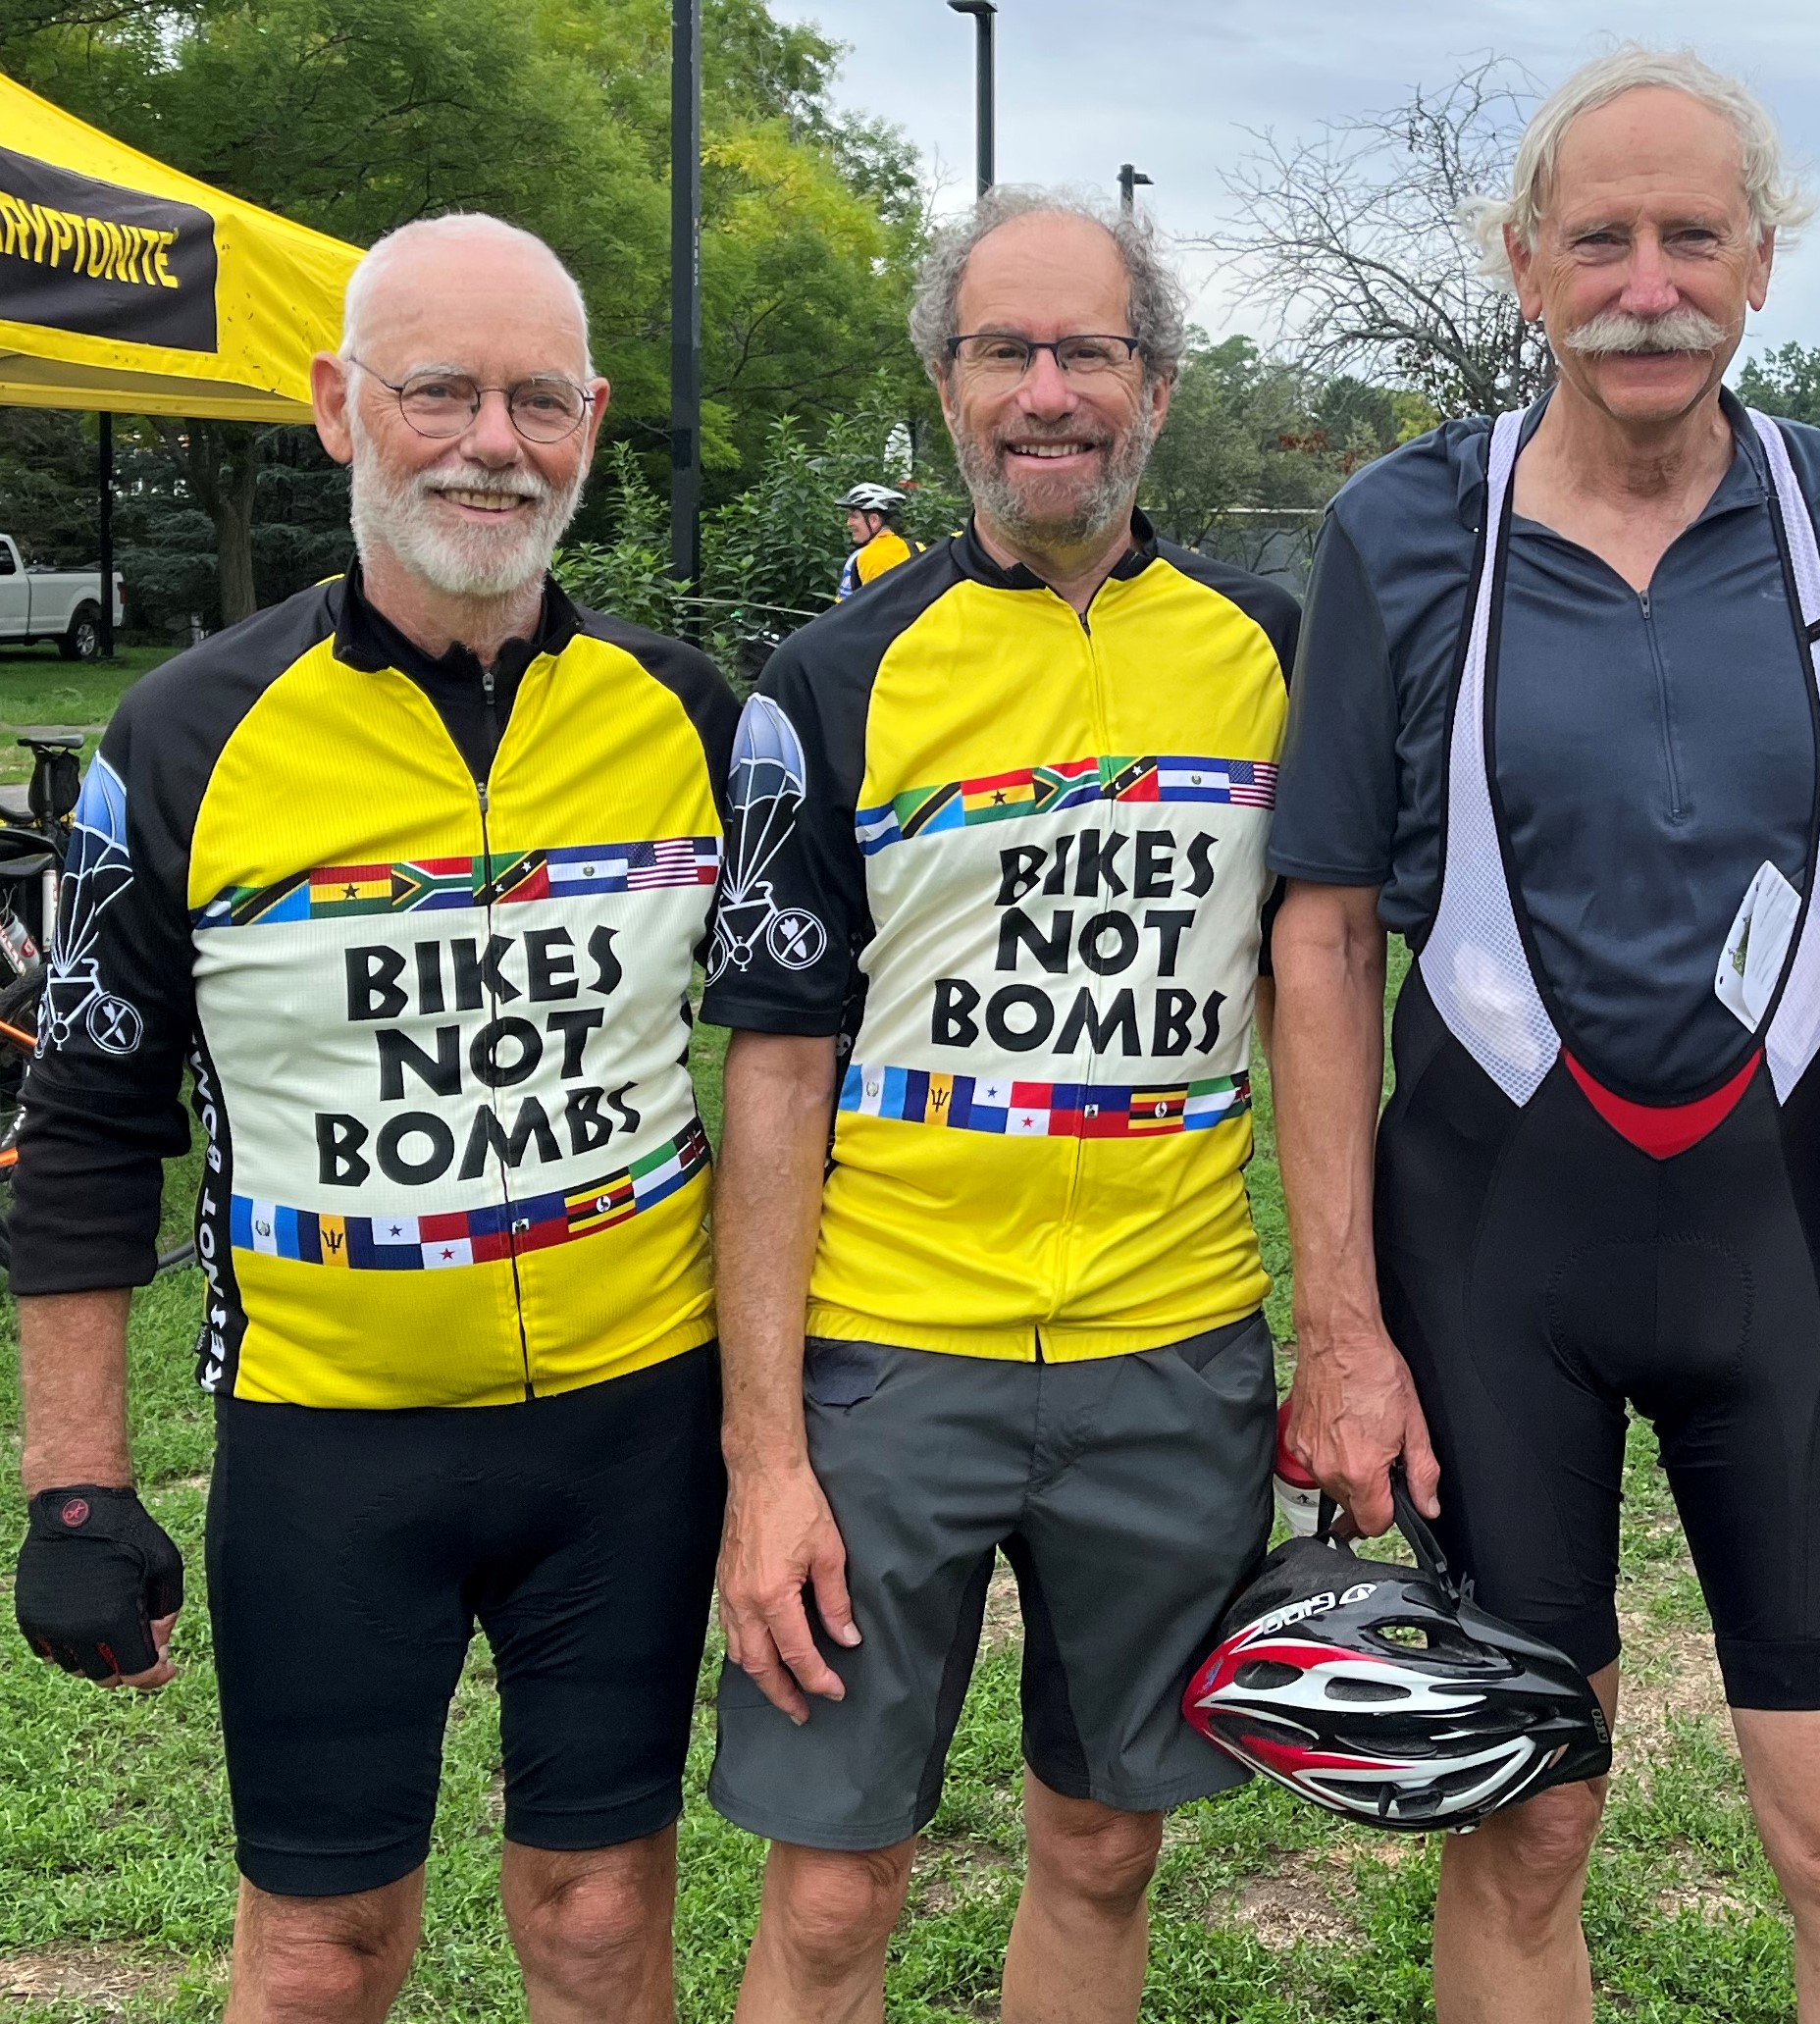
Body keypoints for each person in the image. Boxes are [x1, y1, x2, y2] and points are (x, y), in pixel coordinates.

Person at [1270, 47, 1820, 2024]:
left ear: (1759, 265)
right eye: (1598, 237)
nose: (1642, 280)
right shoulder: (1404, 531)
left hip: (1777, 1258)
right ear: (1522, 264)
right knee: (1525, 1814)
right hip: (1491, 1264)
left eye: (1690, 237)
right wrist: (1339, 1324)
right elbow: (1318, 937)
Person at [7, 214, 736, 2024]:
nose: (493, 439)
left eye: (537, 399)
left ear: (591, 423)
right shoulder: (182, 735)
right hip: (331, 1441)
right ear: (341, 408)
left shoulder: (696, 721)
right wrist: (76, 1479)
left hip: (634, 1432)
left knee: (593, 1918)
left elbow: (806, 1066)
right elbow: (87, 1126)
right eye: (439, 391)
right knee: (323, 1950)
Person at [704, 187, 1296, 2024]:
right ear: (945, 389)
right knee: (831, 1891)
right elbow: (777, 1069)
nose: (1048, 392)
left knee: (1108, 1843)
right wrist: (766, 1456)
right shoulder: (832, 675)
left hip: (1174, 1347)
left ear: (1159, 388)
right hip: (891, 1361)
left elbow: (1330, 998)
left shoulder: (1276, 650)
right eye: (1002, 353)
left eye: (1088, 351)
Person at [835, 481, 917, 600]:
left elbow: (843, 612)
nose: (848, 523)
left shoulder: (863, 557)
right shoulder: (918, 549)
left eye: (854, 516)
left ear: (874, 520)